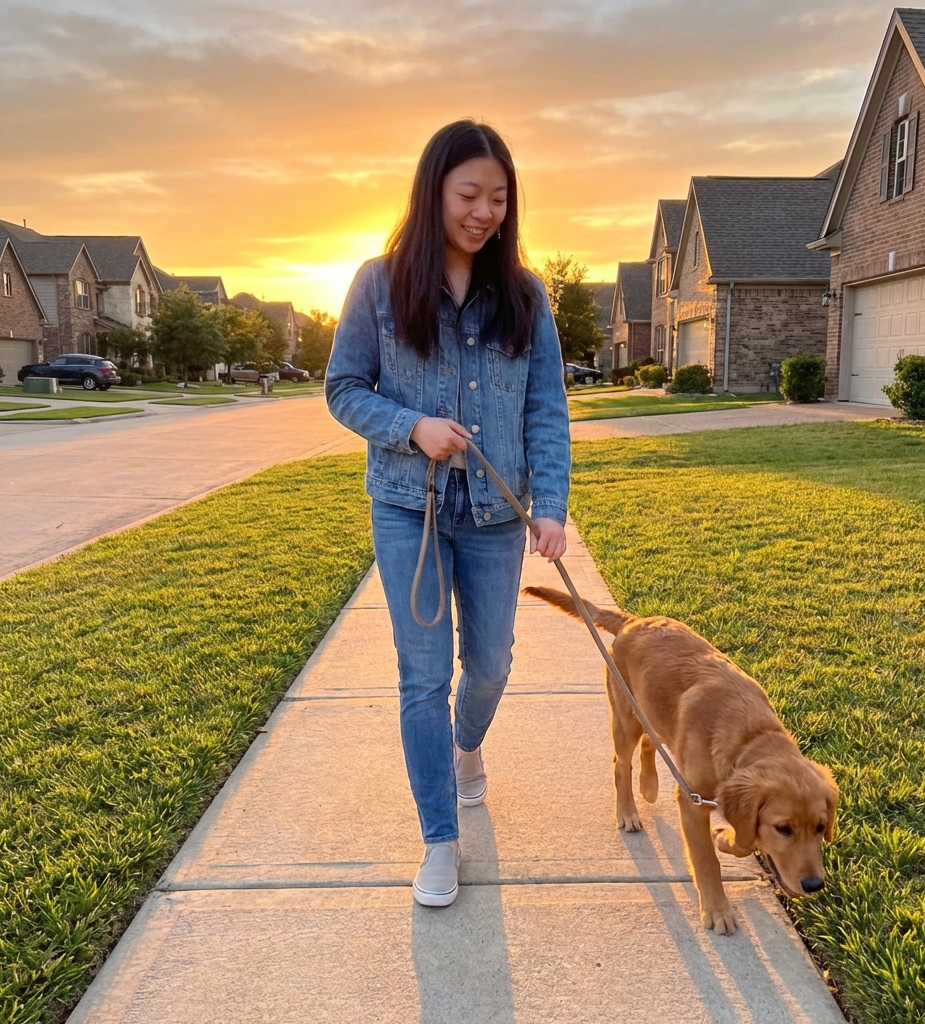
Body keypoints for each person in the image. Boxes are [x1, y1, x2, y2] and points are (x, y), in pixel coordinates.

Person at [325, 120, 571, 907]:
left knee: (492, 664)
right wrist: (413, 427)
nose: (484, 211)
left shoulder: (525, 296)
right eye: (469, 193)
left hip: (498, 517)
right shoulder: (377, 282)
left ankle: (468, 750)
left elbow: (547, 411)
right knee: (422, 677)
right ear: (434, 191)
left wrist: (551, 508)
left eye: (499, 197)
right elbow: (342, 390)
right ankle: (439, 838)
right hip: (410, 510)